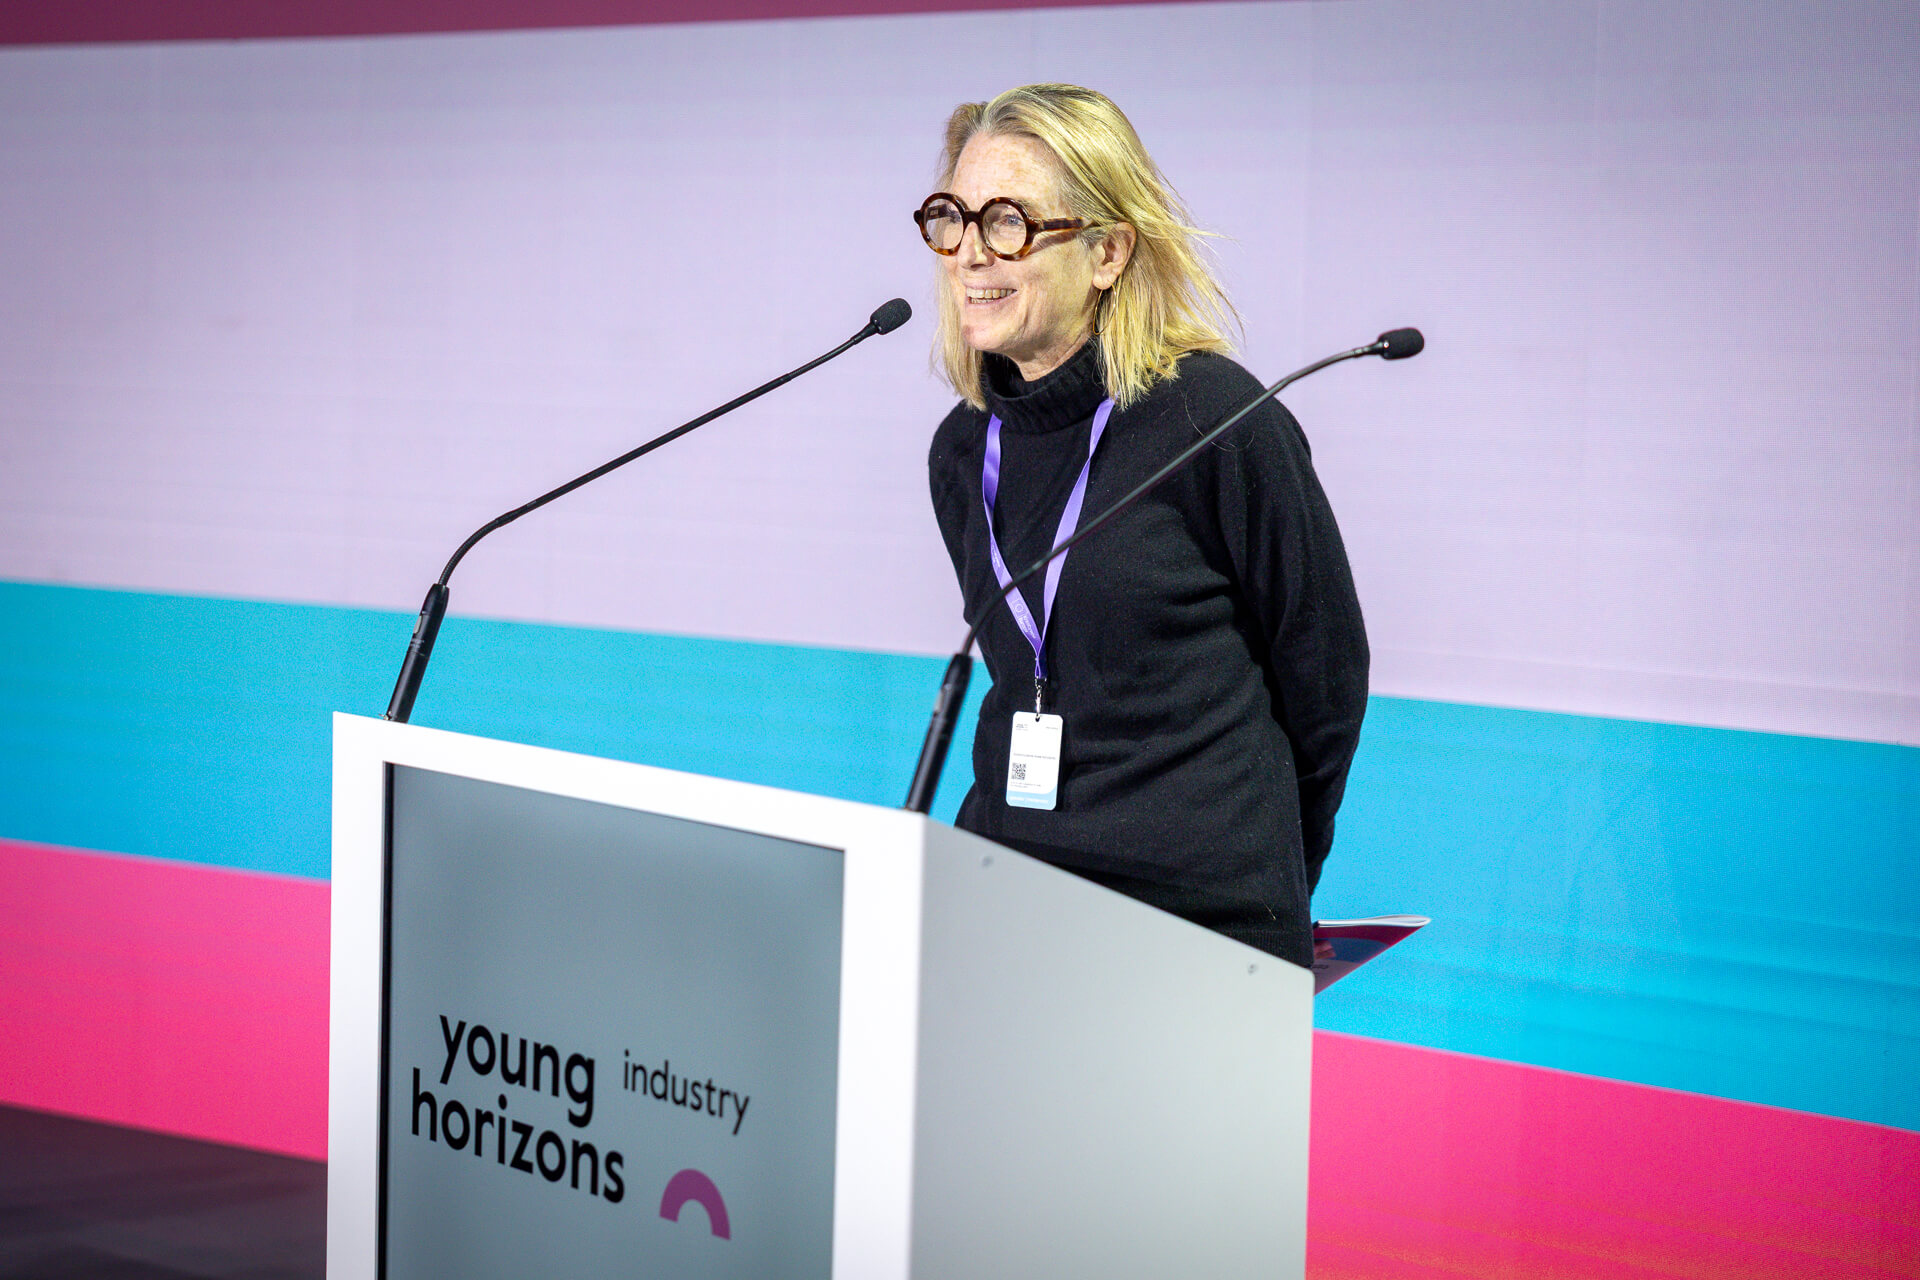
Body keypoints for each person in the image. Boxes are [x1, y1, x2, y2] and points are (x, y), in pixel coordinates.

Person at [920, 84, 1368, 969]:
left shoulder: (1217, 420)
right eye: (953, 217)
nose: (969, 252)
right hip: (1009, 903)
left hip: (1197, 923)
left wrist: (1268, 877)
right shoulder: (963, 450)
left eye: (1007, 221)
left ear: (1108, 251)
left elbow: (1324, 681)